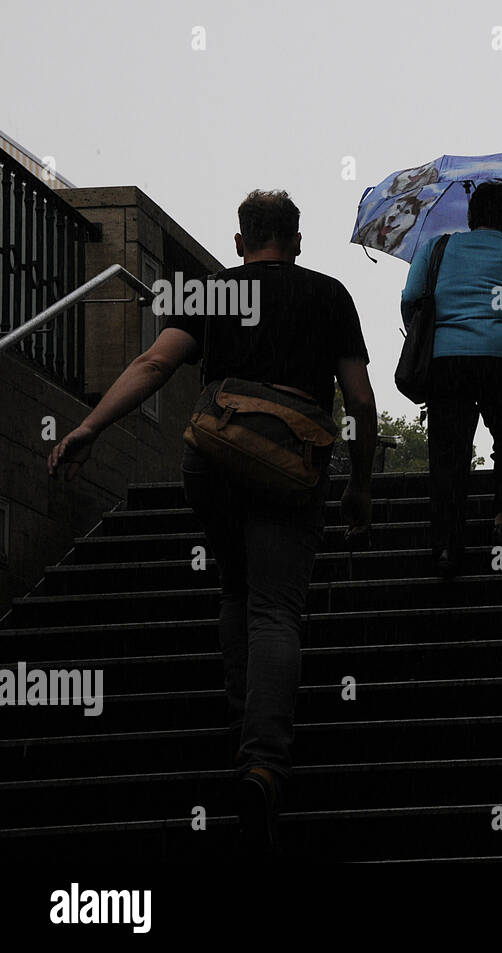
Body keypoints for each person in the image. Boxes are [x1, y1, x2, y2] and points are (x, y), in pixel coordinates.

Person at [48, 190, 377, 857]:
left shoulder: (212, 293)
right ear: (297, 240)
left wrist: (88, 426)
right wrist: (361, 485)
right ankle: (263, 763)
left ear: (239, 242)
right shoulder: (329, 294)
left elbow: (154, 363)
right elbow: (361, 400)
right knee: (276, 609)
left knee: (235, 587)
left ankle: (241, 726)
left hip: (214, 459)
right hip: (289, 468)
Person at [402, 181, 502, 577]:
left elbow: (411, 299)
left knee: (449, 452)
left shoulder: (437, 248)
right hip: (501, 356)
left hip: (448, 359)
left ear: (470, 215)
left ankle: (446, 546)